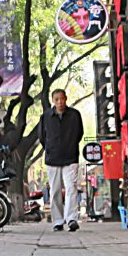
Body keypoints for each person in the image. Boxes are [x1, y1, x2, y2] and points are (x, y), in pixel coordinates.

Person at [38, 89, 83, 231]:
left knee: (71, 188)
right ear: (53, 100)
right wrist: (51, 148)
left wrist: (70, 145)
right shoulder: (46, 117)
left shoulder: (75, 115)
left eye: (62, 99)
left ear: (66, 99)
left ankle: (71, 219)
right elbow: (41, 137)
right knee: (55, 191)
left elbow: (79, 133)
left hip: (70, 157)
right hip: (53, 158)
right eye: (56, 99)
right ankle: (58, 221)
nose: (60, 102)